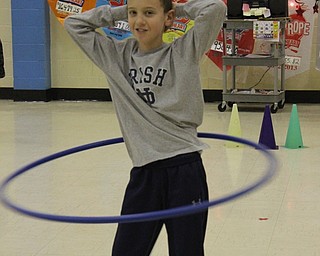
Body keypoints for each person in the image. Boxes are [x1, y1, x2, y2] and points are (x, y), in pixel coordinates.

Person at [64, 0, 226, 255]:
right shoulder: (115, 56)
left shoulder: (184, 51)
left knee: (187, 251)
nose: (139, 21)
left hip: (184, 170)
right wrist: (124, 10)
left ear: (168, 17)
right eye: (133, 14)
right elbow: (74, 24)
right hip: (144, 174)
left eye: (149, 13)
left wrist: (172, 8)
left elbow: (216, 8)